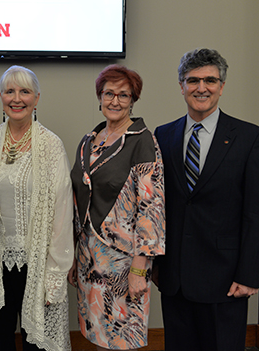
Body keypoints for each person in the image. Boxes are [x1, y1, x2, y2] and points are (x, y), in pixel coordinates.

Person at [154, 48, 259, 351]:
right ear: (181, 86)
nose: (201, 88)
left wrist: (249, 275)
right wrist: (154, 265)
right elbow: (156, 207)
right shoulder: (162, 136)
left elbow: (256, 213)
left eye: (210, 80)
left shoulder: (250, 138)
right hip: (175, 277)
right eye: (192, 80)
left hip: (225, 279)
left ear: (221, 86)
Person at [0, 65, 74, 351]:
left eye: (25, 92)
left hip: (38, 264)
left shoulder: (52, 146)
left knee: (36, 343)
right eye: (9, 91)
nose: (17, 99)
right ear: (1, 97)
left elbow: (62, 211)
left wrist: (55, 274)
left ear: (37, 98)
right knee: (0, 340)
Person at [68, 64, 165, 351]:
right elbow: (77, 201)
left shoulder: (143, 141)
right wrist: (74, 256)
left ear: (133, 101)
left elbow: (152, 208)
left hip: (123, 262)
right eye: (109, 93)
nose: (115, 101)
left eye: (124, 95)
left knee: (121, 339)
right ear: (99, 98)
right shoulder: (89, 140)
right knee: (98, 336)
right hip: (89, 260)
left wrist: (138, 271)